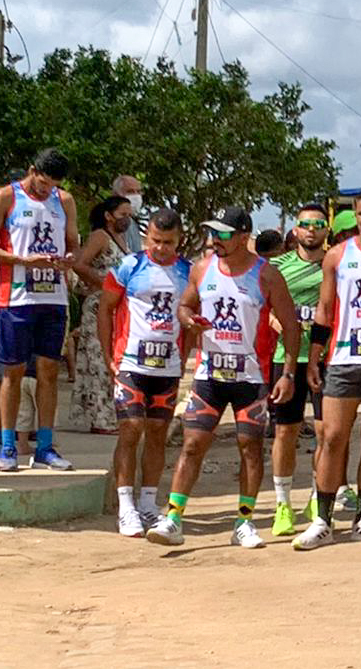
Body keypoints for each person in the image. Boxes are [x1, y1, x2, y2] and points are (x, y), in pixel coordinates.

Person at [148, 207, 301, 548]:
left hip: (252, 377)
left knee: (249, 447)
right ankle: (173, 518)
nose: (215, 239)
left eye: (224, 234)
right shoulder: (202, 269)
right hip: (209, 374)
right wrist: (189, 320)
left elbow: (291, 326)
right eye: (213, 233)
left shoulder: (267, 275)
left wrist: (288, 372)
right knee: (192, 444)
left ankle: (244, 522)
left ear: (244, 237)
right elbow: (185, 306)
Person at [0, 148, 87, 472]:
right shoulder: (6, 197)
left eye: (52, 186)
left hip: (53, 296)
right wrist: (21, 261)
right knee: (12, 372)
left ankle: (44, 446)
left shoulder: (65, 201)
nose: (47, 191)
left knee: (48, 372)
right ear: (32, 171)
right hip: (17, 298)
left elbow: (73, 242)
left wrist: (71, 258)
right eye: (43, 184)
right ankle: (8, 446)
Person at [300, 187, 361, 550]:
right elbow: (324, 308)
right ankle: (322, 519)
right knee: (333, 437)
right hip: (343, 359)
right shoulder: (338, 256)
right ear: (355, 214)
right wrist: (314, 357)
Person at [98, 208, 190, 536]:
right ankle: (126, 507)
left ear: (179, 240)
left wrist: (186, 355)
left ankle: (149, 503)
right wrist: (110, 354)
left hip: (167, 366)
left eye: (168, 242)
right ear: (147, 236)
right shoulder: (129, 266)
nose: (161, 248)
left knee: (156, 433)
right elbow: (106, 308)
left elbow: (191, 317)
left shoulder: (187, 271)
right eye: (155, 240)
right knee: (130, 428)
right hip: (131, 363)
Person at [267, 202, 330, 537]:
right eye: (306, 224)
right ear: (295, 230)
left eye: (318, 224)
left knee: (326, 433)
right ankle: (282, 504)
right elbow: (265, 307)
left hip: (326, 359)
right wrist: (277, 320)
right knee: (285, 432)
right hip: (287, 356)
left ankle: (318, 498)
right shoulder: (278, 266)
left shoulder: (334, 264)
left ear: (326, 230)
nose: (311, 230)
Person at [72, 195, 136, 435]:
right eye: (123, 214)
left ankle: (109, 414)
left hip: (116, 308)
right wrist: (102, 283)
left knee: (111, 359)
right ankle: (101, 419)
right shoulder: (100, 237)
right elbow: (80, 264)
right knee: (99, 360)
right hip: (99, 306)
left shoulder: (121, 239)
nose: (127, 219)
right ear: (109, 216)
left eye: (129, 215)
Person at [112, 174, 146, 252]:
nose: (136, 196)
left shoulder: (132, 223)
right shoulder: (111, 222)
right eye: (130, 191)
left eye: (138, 191)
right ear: (116, 195)